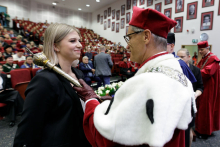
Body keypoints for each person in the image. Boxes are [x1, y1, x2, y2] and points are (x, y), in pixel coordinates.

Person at [73, 7, 194, 147]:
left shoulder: (147, 81)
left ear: (146, 36)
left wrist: (91, 100)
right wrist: (115, 102)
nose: (127, 45)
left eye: (129, 37)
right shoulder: (175, 68)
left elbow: (108, 139)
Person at [13, 23, 91, 147]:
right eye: (73, 41)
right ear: (56, 46)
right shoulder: (44, 80)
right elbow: (28, 129)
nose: (80, 45)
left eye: (79, 41)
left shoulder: (78, 73)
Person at [177, 48, 204, 147]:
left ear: (188, 57)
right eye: (177, 57)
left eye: (182, 57)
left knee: (188, 130)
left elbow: (200, 87)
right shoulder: (175, 69)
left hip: (190, 105)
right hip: (178, 104)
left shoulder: (196, 70)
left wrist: (195, 94)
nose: (179, 59)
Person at [195, 41, 220, 139]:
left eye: (202, 49)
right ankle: (200, 128)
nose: (200, 52)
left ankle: (205, 131)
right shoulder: (204, 58)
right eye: (199, 50)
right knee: (201, 108)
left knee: (206, 109)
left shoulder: (213, 59)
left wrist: (194, 72)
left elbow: (207, 72)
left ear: (207, 48)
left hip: (209, 88)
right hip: (203, 86)